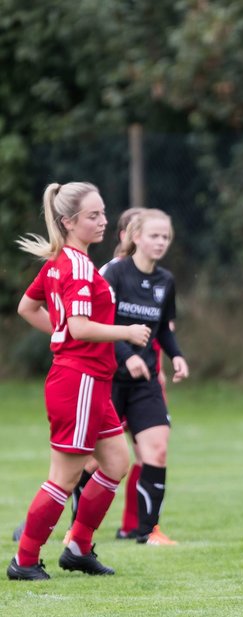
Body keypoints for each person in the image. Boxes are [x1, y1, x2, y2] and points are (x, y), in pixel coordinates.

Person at [8, 182, 151, 581]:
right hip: (79, 381)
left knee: (117, 462)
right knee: (65, 476)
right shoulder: (75, 267)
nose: (103, 221)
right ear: (68, 222)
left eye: (103, 212)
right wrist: (124, 332)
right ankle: (24, 559)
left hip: (92, 381)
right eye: (93, 215)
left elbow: (26, 307)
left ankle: (77, 547)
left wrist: (64, 334)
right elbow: (81, 326)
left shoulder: (62, 262)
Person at [100, 208, 189, 544]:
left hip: (145, 382)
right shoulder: (115, 274)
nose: (160, 242)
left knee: (157, 451)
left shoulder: (165, 281)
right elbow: (103, 325)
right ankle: (76, 530)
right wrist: (126, 355)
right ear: (135, 236)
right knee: (96, 462)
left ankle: (147, 531)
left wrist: (177, 355)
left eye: (165, 237)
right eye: (154, 235)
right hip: (108, 377)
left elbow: (162, 330)